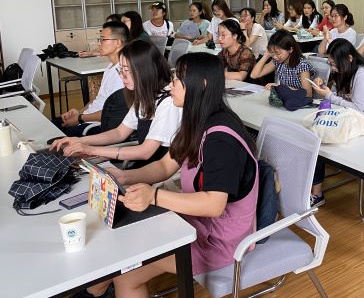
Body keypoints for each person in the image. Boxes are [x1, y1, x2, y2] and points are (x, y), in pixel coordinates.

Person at [79, 53, 258, 298]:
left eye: (177, 80)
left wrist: (153, 196)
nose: (171, 86)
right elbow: (165, 166)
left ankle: (96, 291)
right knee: (120, 244)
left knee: (126, 272)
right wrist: (124, 177)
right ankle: (95, 291)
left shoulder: (221, 138)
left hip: (219, 241)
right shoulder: (195, 121)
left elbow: (214, 205)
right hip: (195, 223)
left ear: (201, 85)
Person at [50, 40, 181, 169]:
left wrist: (91, 150)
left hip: (155, 170)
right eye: (120, 70)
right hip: (145, 166)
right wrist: (79, 140)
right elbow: (119, 133)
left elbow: (145, 152)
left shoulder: (168, 101)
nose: (122, 76)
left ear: (144, 70)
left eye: (126, 70)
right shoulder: (145, 95)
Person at [309, 38, 364, 207]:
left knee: (319, 140)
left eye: (334, 64)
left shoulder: (362, 74)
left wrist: (329, 95)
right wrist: (324, 86)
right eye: (330, 63)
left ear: (349, 58)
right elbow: (338, 97)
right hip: (348, 120)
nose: (333, 67)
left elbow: (357, 108)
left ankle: (316, 193)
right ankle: (314, 191)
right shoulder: (343, 70)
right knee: (315, 137)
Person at [53, 21, 128, 137]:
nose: (99, 44)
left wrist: (80, 118)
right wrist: (79, 112)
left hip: (98, 125)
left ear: (117, 42)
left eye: (103, 39)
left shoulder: (123, 72)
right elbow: (98, 99)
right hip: (87, 118)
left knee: (59, 136)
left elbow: (113, 113)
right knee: (53, 124)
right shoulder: (110, 67)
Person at [250, 30, 314, 95]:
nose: (275, 57)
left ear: (290, 49)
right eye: (272, 53)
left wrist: (280, 87)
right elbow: (254, 75)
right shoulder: (277, 61)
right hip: (286, 98)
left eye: (278, 53)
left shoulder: (302, 65)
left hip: (298, 100)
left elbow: (308, 94)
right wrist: (266, 55)